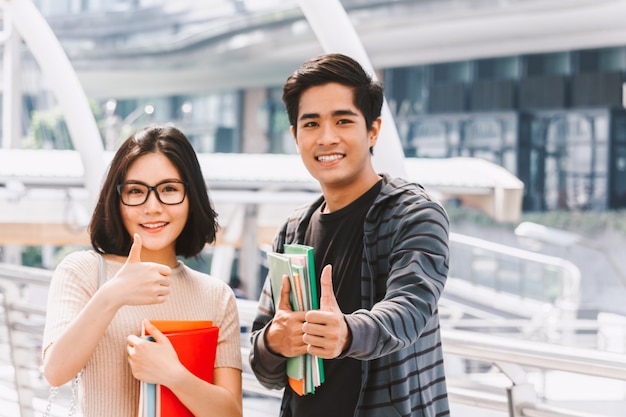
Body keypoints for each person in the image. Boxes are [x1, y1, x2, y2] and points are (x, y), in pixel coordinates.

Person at [249, 53, 450, 417]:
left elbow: (410, 309)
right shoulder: (293, 229)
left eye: (343, 120)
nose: (327, 138)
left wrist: (347, 333)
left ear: (372, 130)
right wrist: (275, 343)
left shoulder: (415, 215)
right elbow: (265, 367)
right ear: (295, 135)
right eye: (311, 124)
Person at [42, 126, 243, 417]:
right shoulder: (82, 271)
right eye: (136, 191)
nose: (152, 207)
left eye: (169, 189)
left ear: (191, 197)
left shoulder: (216, 295)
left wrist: (174, 376)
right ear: (117, 198)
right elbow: (55, 372)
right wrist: (112, 295)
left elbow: (231, 412)